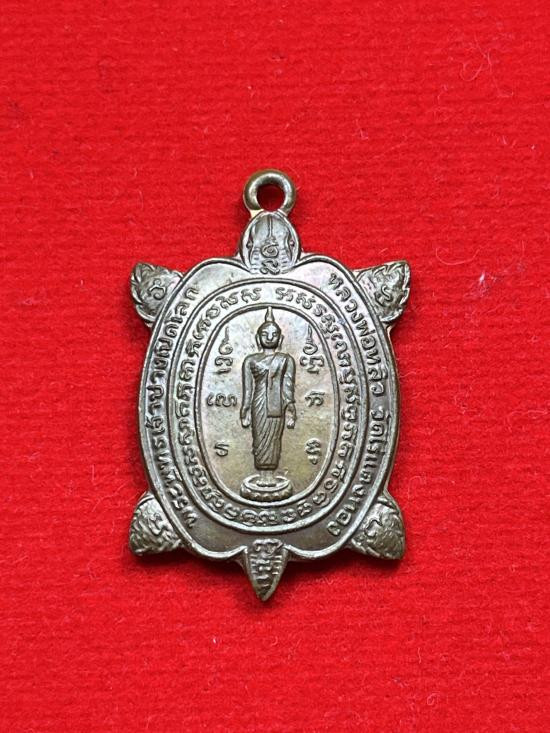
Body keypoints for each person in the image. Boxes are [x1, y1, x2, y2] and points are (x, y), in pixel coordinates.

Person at [240, 307, 296, 488]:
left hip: (277, 404)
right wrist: (245, 409)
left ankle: (270, 476)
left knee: (273, 438)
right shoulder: (250, 360)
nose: (270, 337)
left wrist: (290, 409)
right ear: (258, 338)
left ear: (280, 339)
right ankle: (262, 475)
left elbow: (288, 386)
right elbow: (247, 389)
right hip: (258, 403)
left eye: (274, 334)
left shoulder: (286, 360)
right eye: (265, 334)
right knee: (259, 437)